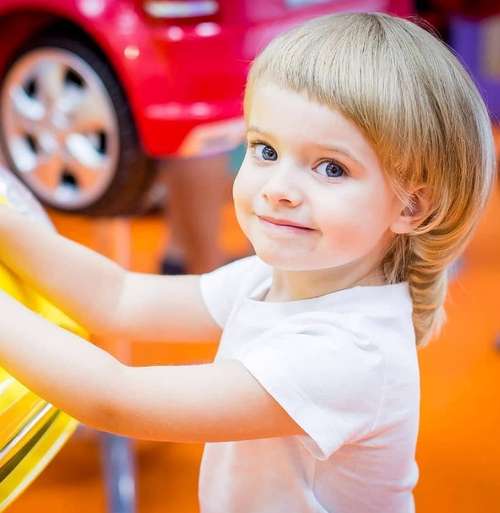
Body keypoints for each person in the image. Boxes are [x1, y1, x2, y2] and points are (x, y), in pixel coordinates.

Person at [0, 12, 495, 513]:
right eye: (265, 150)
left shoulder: (348, 353)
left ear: (411, 206)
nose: (278, 190)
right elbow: (120, 299)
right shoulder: (282, 274)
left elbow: (115, 399)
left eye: (330, 168)